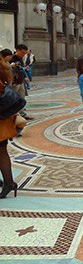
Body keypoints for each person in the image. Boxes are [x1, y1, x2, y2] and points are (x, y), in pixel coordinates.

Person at [0, 54, 27, 198]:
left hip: (1, 120)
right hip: (3, 119)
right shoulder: (3, 71)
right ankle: (8, 182)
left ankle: (9, 183)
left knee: (1, 151)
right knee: (1, 150)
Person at [10, 44, 33, 123]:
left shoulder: (21, 59)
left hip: (21, 80)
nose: (23, 55)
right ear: (17, 50)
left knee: (22, 97)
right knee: (15, 98)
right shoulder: (12, 58)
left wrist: (25, 76)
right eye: (22, 53)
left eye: (25, 53)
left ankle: (22, 113)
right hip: (14, 82)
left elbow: (21, 69)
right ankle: (15, 115)